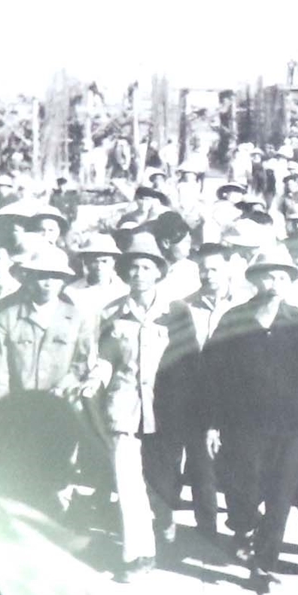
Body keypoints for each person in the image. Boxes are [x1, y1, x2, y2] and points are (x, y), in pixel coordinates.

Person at [214, 248, 298, 593]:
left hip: (289, 422)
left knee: (281, 494)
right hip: (242, 422)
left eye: (282, 277)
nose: (275, 282)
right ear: (255, 280)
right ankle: (243, 526)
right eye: (268, 276)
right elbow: (212, 371)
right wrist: (212, 422)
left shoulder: (296, 319)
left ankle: (263, 564)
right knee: (242, 487)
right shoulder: (234, 318)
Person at [0, 239, 90, 508]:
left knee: (55, 474)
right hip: (19, 410)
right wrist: (1, 412)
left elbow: (82, 363)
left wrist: (64, 387)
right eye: (41, 276)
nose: (48, 283)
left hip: (59, 409)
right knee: (18, 472)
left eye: (55, 277)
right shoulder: (8, 316)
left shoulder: (76, 318)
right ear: (28, 278)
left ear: (64, 280)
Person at [87, 234, 173, 577]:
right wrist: (95, 380)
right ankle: (138, 555)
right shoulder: (113, 313)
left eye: (146, 267)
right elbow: (105, 358)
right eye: (133, 268)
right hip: (123, 409)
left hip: (165, 411)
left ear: (158, 272)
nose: (138, 274)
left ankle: (164, 527)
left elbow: (187, 364)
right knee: (128, 483)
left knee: (162, 483)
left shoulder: (175, 313)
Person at [153, 238, 247, 551]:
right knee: (176, 462)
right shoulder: (183, 307)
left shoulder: (241, 306)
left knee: (215, 468)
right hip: (187, 395)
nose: (208, 275)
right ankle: (167, 524)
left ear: (229, 268)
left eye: (215, 269)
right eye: (203, 270)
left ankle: (213, 532)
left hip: (228, 396)